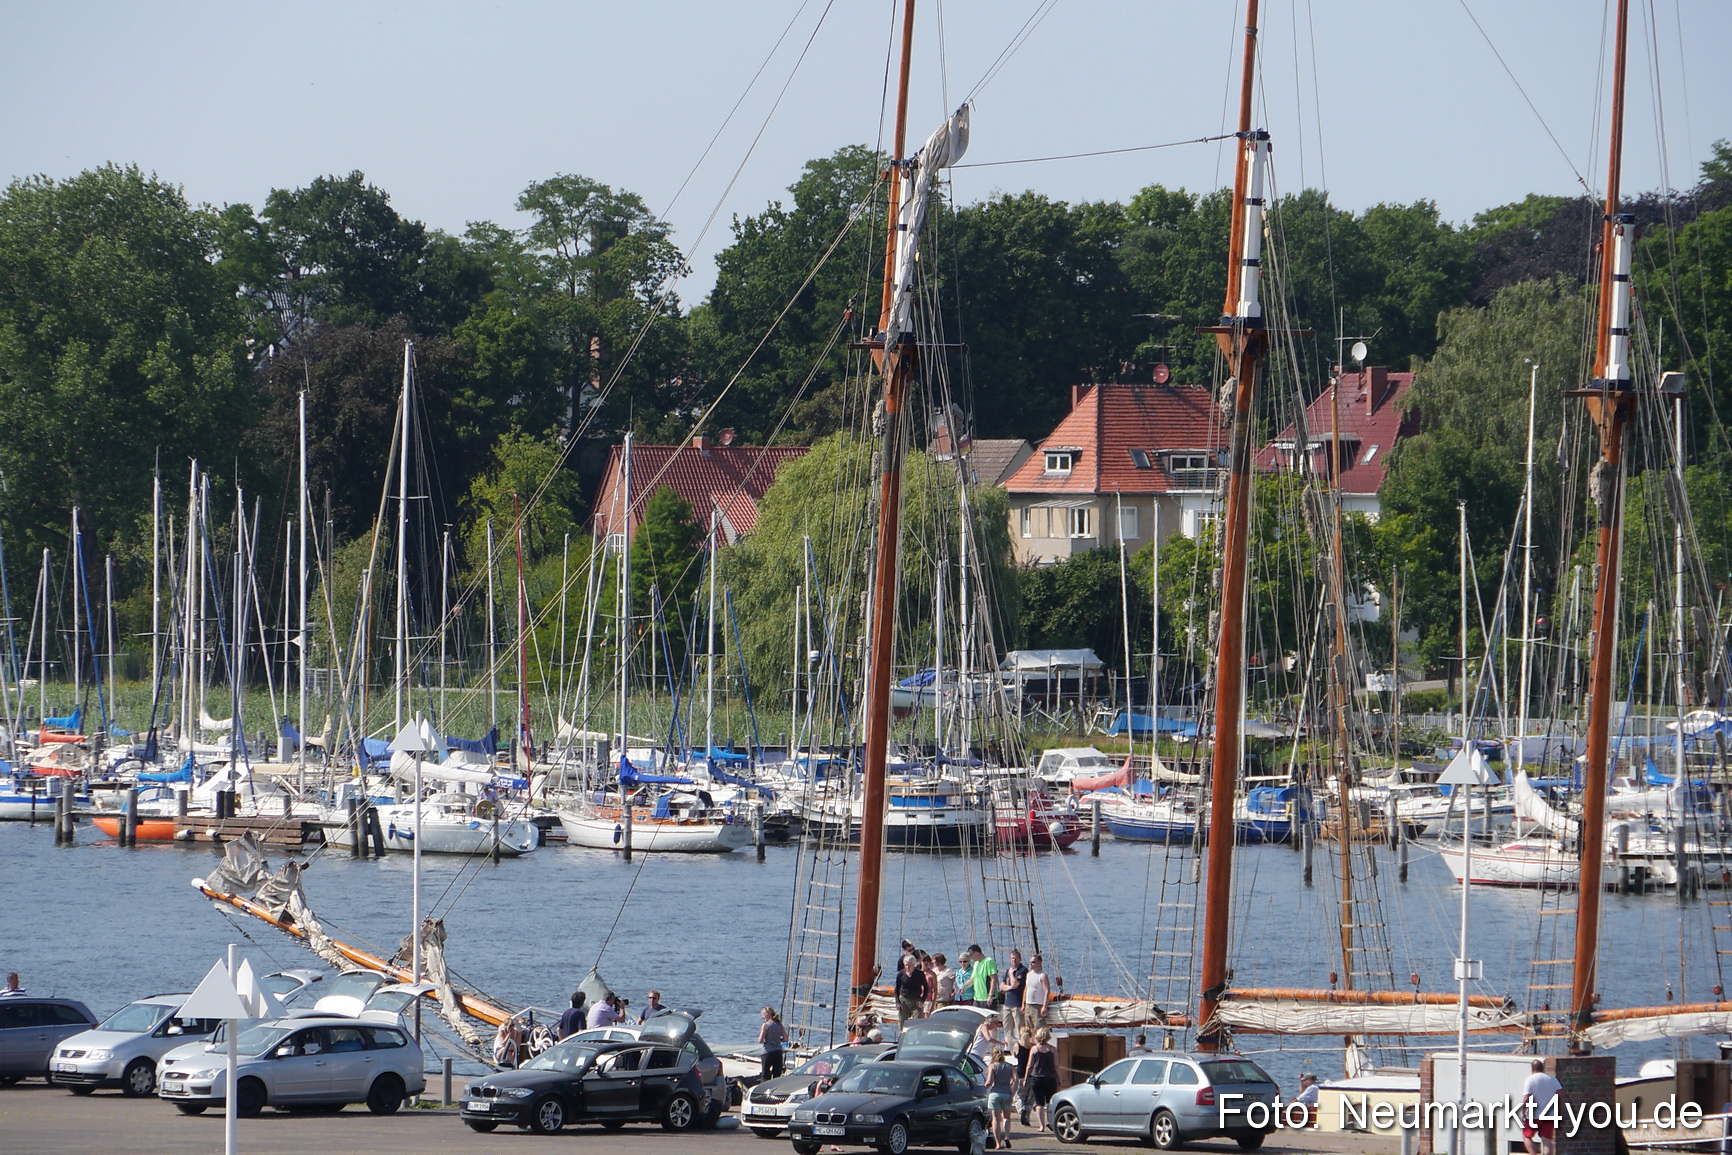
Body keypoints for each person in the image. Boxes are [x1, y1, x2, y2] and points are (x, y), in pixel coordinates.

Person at [1522, 1058, 1563, 1155]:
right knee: (1547, 1140)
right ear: (1543, 1068)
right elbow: (1561, 1095)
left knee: (1526, 1136)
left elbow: (1526, 1098)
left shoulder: (1530, 1080)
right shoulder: (1553, 1080)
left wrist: (1523, 1112)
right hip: (1549, 1115)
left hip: (1533, 1115)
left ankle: (1534, 1154)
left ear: (1532, 1069)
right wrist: (1559, 1111)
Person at [1023, 1026, 1059, 1133]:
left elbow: (1029, 1066)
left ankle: (1041, 1126)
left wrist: (1025, 1078)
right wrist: (1060, 1078)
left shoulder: (1034, 1049)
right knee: (1050, 1102)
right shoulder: (1053, 1049)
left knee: (1039, 1103)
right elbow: (1056, 1066)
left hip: (1036, 1078)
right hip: (1050, 1078)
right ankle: (1050, 1122)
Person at [984, 1046, 1017, 1150]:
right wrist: (1013, 1094)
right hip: (1007, 1093)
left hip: (995, 1094)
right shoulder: (1010, 1066)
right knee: (1006, 1118)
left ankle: (998, 1143)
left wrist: (982, 1088)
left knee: (996, 1119)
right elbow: (1016, 1080)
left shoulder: (992, 1066)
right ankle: (1006, 1137)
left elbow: (990, 1082)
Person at [999, 949, 1027, 1033]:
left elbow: (1015, 983)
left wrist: (1011, 974)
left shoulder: (1023, 970)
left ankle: (1020, 1041)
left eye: (1015, 958)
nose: (1013, 960)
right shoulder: (1008, 970)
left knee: (1019, 1027)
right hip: (1007, 1003)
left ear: (1020, 959)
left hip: (1017, 1004)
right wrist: (1009, 987)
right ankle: (1007, 1041)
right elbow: (1001, 985)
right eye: (1012, 958)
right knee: (1007, 1027)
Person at [895, 954, 925, 1025]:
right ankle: (902, 1031)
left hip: (916, 1000)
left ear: (914, 965)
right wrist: (897, 1002)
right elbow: (896, 989)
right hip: (904, 1000)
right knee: (902, 1021)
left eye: (910, 965)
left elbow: (926, 987)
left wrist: (922, 1000)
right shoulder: (900, 974)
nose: (908, 967)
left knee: (918, 1021)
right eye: (906, 965)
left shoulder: (920, 974)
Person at [759, 1007, 788, 1081]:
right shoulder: (779, 1025)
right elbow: (786, 1039)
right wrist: (778, 1039)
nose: (763, 1017)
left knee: (765, 1075)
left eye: (764, 1015)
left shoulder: (765, 1025)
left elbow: (760, 1040)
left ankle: (765, 1087)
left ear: (768, 1015)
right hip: (778, 1052)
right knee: (777, 1075)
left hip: (768, 1052)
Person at [1024, 954, 1051, 1024]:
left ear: (1039, 963)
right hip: (1028, 1004)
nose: (1031, 964)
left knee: (1038, 1026)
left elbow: (1047, 991)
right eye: (1030, 962)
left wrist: (1044, 1006)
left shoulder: (1043, 976)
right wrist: (1023, 1004)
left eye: (1033, 962)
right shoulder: (1029, 974)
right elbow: (1026, 989)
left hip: (1037, 1006)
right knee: (1028, 1026)